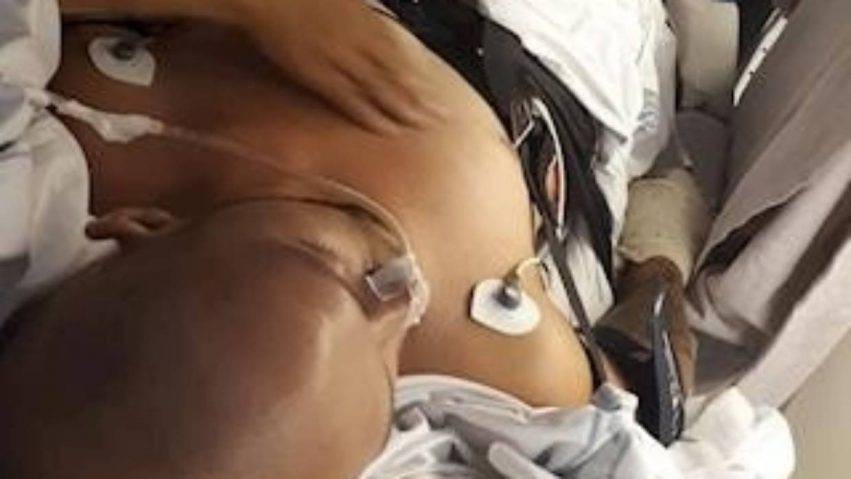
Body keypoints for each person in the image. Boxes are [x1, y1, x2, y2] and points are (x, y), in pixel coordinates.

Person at [0, 0, 699, 477]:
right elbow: (647, 357)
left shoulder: (82, 130)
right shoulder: (522, 372)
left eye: (322, 267)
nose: (398, 299)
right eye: (388, 380)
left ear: (137, 227)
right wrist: (659, 264)